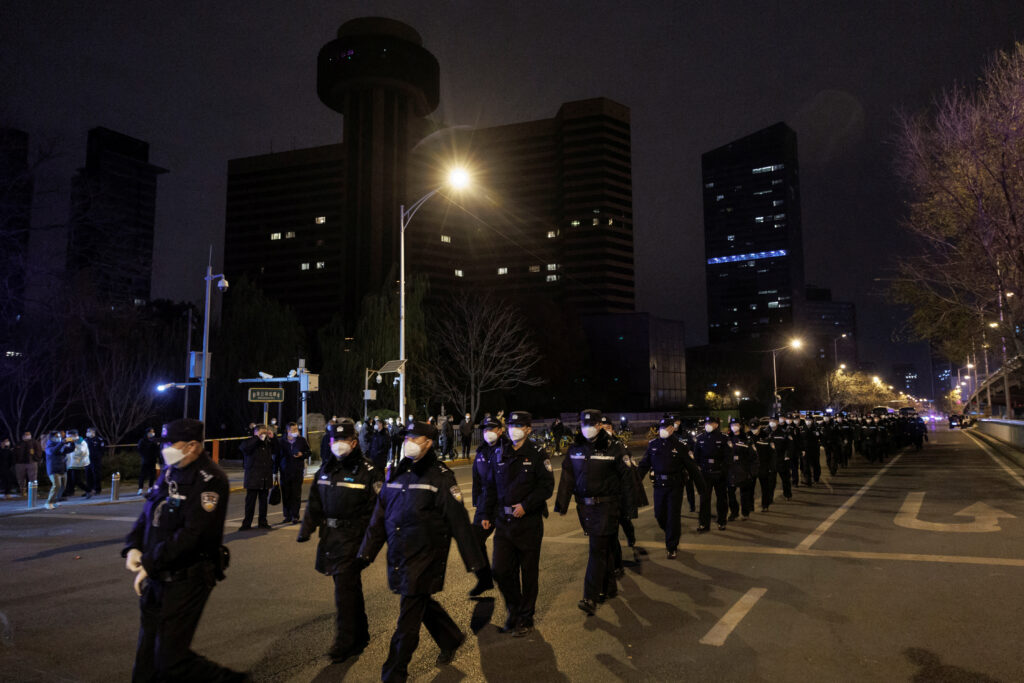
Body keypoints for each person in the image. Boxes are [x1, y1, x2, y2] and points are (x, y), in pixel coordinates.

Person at [357, 421, 485, 682]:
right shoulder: (396, 473)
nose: (409, 442)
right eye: (407, 437)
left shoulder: (440, 477)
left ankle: (394, 674)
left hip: (426, 556)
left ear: (428, 443)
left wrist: (476, 564)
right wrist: (366, 552)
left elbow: (458, 522)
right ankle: (450, 637)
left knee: (408, 619)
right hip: (400, 555)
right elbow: (380, 516)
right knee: (420, 603)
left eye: (415, 438)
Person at [122, 418, 244, 682]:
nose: (165, 448)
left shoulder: (210, 480)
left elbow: (193, 535)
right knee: (146, 660)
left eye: (170, 443)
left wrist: (150, 564)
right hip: (157, 576)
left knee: (171, 659)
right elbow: (148, 513)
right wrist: (133, 546)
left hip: (187, 578)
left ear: (191, 446)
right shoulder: (169, 471)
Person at [297, 419, 383, 663]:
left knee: (343, 590)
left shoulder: (368, 471)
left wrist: (370, 544)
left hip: (354, 539)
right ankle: (361, 633)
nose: (338, 445)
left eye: (343, 440)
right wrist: (306, 529)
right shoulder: (327, 468)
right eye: (334, 440)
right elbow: (315, 501)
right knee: (349, 588)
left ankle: (344, 641)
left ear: (354, 443)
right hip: (331, 538)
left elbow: (377, 511)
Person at [478, 411, 554, 636]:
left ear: (528, 429)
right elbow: (490, 488)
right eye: (510, 425)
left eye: (519, 425)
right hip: (504, 522)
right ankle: (516, 609)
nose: (514, 429)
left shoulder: (538, 454)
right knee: (500, 570)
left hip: (528, 522)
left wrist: (527, 505)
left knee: (528, 573)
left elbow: (546, 486)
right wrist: (485, 514)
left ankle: (526, 617)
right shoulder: (499, 453)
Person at [553, 409, 634, 616]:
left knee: (596, 549)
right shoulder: (576, 447)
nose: (587, 428)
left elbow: (627, 479)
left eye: (591, 424)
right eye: (583, 424)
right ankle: (609, 587)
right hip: (584, 507)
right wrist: (561, 503)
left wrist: (629, 507)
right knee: (603, 547)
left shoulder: (614, 447)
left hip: (607, 506)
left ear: (599, 425)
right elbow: (568, 475)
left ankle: (590, 595)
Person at [636, 417, 706, 559]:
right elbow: (643, 465)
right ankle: (670, 532)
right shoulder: (653, 445)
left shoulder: (680, 446)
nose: (663, 431)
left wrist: (701, 487)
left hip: (675, 486)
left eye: (667, 428)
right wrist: (634, 482)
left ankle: (671, 546)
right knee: (659, 515)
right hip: (659, 486)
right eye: (661, 428)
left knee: (673, 517)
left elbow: (692, 468)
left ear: (672, 429)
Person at [469, 415, 504, 597]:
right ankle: (484, 579)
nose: (488, 433)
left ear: (500, 431)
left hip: (503, 506)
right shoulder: (481, 452)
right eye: (485, 430)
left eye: (491, 429)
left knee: (505, 553)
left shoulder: (507, 450)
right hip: (485, 505)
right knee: (473, 540)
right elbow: (478, 480)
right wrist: (478, 505)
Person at [693, 416, 730, 531]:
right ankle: (703, 523)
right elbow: (696, 456)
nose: (707, 425)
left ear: (716, 425)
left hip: (719, 473)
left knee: (722, 499)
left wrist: (723, 470)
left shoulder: (724, 438)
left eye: (710, 423)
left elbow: (728, 457)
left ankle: (722, 521)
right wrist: (698, 469)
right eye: (706, 423)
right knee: (704, 500)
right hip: (705, 473)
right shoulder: (700, 438)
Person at [238, 424, 277, 530]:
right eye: (261, 432)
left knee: (263, 502)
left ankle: (263, 522)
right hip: (253, 478)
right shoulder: (250, 442)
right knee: (250, 502)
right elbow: (243, 448)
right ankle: (247, 523)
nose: (263, 435)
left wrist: (273, 437)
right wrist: (256, 438)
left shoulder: (268, 443)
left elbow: (278, 448)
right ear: (255, 432)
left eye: (265, 432)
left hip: (265, 477)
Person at [276, 422, 311, 524]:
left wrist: (302, 454)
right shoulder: (282, 442)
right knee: (286, 494)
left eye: (297, 429)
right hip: (285, 472)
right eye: (294, 430)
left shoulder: (301, 440)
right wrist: (275, 472)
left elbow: (309, 452)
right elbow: (277, 457)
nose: (296, 431)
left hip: (297, 471)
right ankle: (287, 515)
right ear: (288, 431)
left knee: (296, 494)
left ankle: (295, 516)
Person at [752, 419, 776, 512]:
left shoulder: (766, 436)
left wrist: (771, 467)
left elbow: (772, 453)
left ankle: (765, 505)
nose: (754, 430)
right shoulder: (748, 436)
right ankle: (750, 506)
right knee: (750, 488)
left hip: (764, 465)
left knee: (765, 487)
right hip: (752, 467)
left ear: (759, 427)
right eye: (752, 428)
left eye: (755, 428)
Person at [44, 431, 70, 509]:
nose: (58, 438)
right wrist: (62, 443)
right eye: (56, 436)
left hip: (62, 469)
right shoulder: (49, 446)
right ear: (51, 438)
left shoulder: (61, 445)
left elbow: (70, 450)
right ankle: (48, 503)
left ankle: (54, 502)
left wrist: (72, 442)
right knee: (56, 486)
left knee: (62, 487)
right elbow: (54, 451)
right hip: (53, 470)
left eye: (59, 436)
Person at [13, 431, 43, 497]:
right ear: (23, 436)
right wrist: (16, 461)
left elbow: (39, 451)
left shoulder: (34, 442)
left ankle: (33, 492)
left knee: (33, 478)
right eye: (26, 434)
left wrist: (35, 458)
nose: (27, 435)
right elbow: (14, 453)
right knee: (21, 479)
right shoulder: (19, 443)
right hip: (20, 464)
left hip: (31, 462)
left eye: (29, 434)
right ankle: (23, 492)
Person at [64, 429, 92, 498]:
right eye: (67, 436)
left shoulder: (82, 442)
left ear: (75, 435)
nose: (68, 438)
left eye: (69, 436)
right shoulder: (69, 442)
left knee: (76, 480)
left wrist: (73, 445)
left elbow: (81, 452)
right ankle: (69, 492)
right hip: (69, 464)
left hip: (77, 464)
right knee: (69, 479)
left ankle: (89, 490)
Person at [137, 428, 161, 495]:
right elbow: (140, 449)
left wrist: (157, 456)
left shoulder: (154, 440)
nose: (152, 433)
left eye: (153, 432)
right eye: (151, 432)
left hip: (153, 460)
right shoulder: (142, 440)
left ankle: (150, 488)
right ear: (147, 433)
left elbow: (157, 450)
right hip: (145, 460)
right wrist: (144, 456)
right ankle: (140, 489)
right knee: (143, 475)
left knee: (152, 475)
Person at [85, 428, 106, 495]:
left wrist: (98, 457)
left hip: (96, 461)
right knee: (88, 475)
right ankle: (89, 490)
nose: (88, 433)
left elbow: (102, 450)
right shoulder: (86, 440)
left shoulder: (99, 440)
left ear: (93, 432)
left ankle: (97, 489)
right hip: (87, 461)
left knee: (96, 475)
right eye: (87, 431)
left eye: (89, 431)